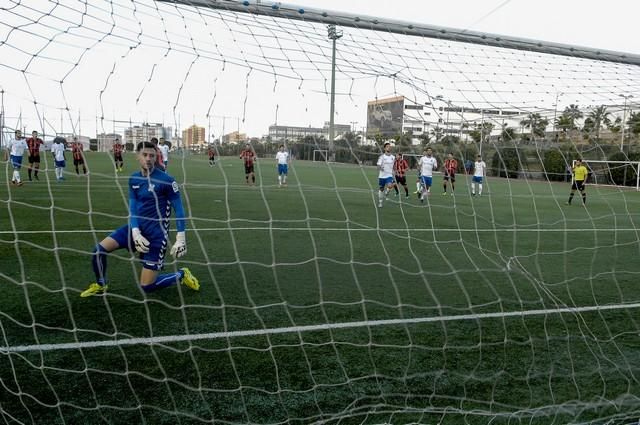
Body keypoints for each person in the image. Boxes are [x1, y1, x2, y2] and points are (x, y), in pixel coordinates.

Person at [80, 141, 199, 297]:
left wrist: (181, 237)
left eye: (152, 155)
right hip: (135, 229)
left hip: (157, 235)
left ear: (156, 157)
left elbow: (179, 209)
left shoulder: (167, 180)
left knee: (147, 286)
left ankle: (181, 274)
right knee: (98, 251)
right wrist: (135, 232)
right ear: (138, 156)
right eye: (144, 155)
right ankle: (101, 285)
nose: (148, 159)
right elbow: (133, 209)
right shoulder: (134, 179)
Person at [376, 142, 395, 208]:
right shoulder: (381, 157)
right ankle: (380, 202)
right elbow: (378, 166)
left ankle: (387, 191)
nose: (389, 147)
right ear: (384, 148)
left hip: (389, 175)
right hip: (382, 176)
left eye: (389, 146)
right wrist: (381, 168)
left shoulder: (393, 157)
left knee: (390, 185)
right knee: (381, 189)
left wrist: (394, 171)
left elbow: (393, 166)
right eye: (387, 146)